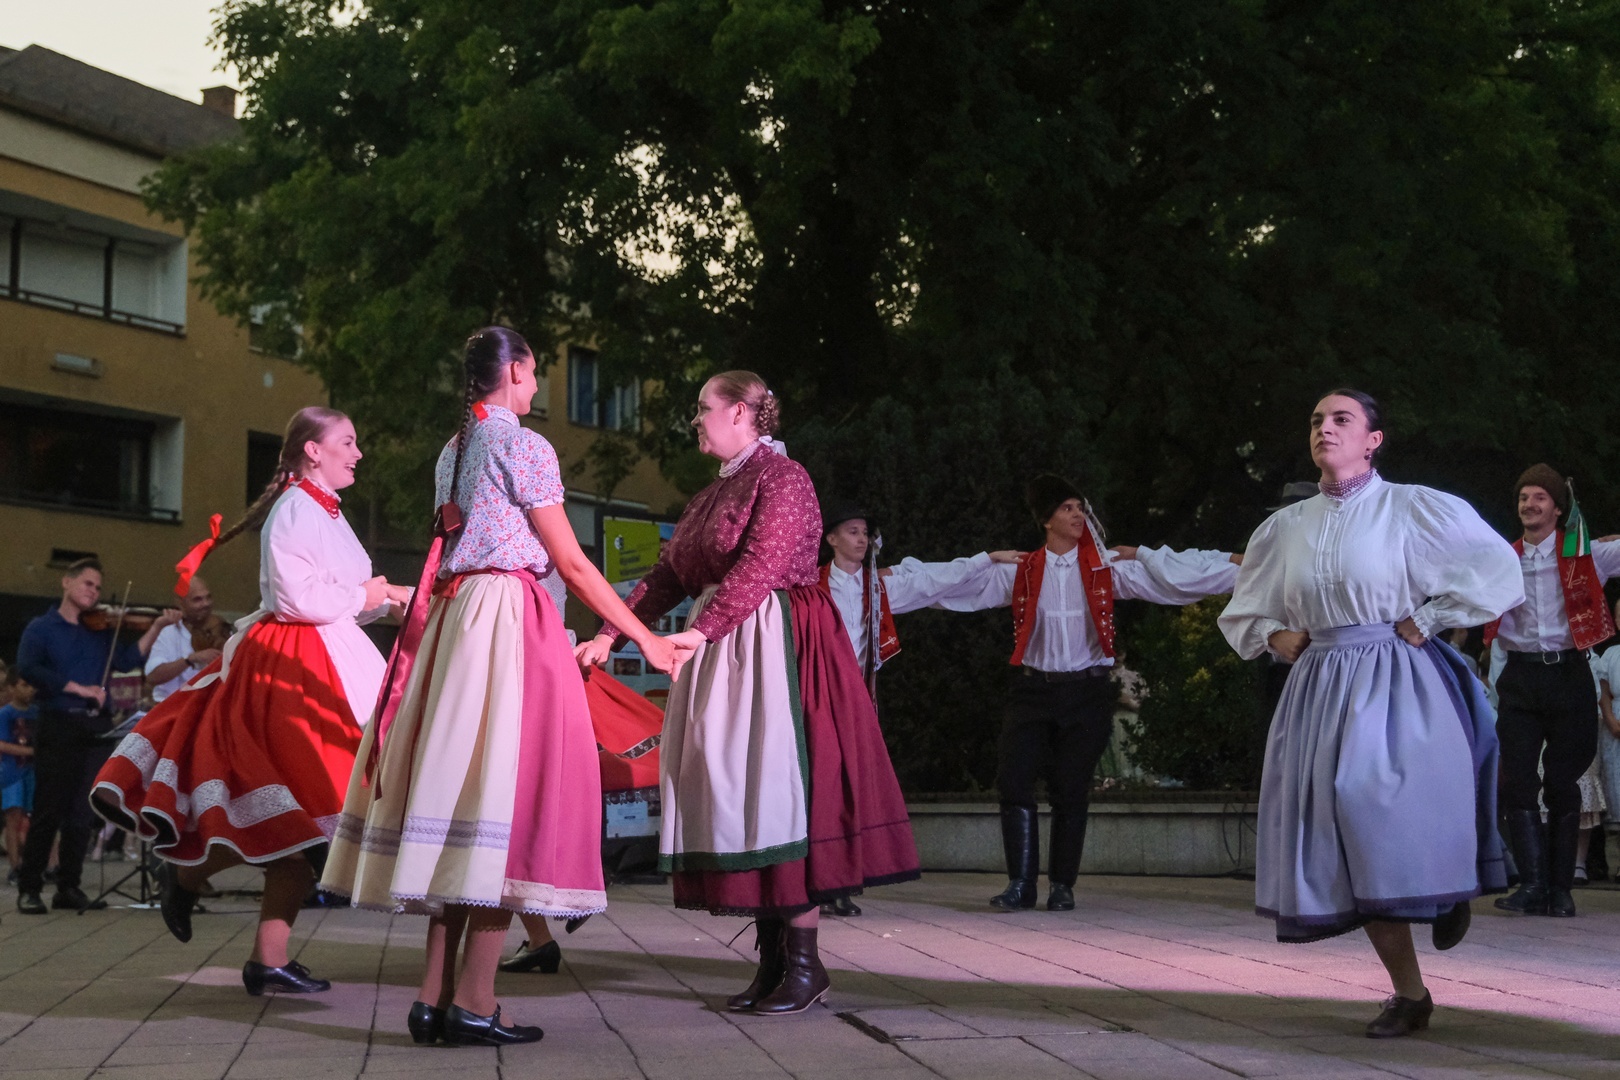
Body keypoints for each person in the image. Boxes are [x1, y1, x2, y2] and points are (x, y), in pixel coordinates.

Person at [320, 327, 685, 1047]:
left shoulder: (455, 449)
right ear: (514, 371)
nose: (538, 382)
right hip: (508, 618)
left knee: (462, 804)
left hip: (455, 620)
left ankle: (433, 998)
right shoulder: (523, 445)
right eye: (535, 370)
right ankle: (475, 1000)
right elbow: (571, 563)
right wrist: (643, 636)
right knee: (508, 803)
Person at [585, 370, 920, 1016]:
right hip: (725, 644)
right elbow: (667, 574)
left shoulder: (783, 477)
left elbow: (764, 564)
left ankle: (804, 963)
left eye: (703, 408)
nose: (696, 419)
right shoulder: (712, 493)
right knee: (739, 793)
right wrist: (610, 634)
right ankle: (774, 962)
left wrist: (701, 631)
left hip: (776, 644)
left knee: (778, 790)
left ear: (740, 412)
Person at [1219, 389, 1522, 1039]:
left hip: (1394, 672)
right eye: (1317, 420)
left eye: (1341, 420)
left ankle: (1440, 888)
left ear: (1373, 439)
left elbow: (1498, 565)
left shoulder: (1410, 507)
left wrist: (1434, 616)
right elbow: (1246, 607)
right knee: (1343, 834)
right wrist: (1274, 635)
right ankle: (1411, 992)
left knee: (1372, 800)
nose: (1325, 429)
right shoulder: (1286, 527)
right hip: (1321, 681)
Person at [92, 407, 404, 996]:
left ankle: (257, 949)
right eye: (347, 442)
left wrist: (385, 598)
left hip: (331, 658)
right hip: (293, 668)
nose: (358, 453)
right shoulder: (295, 509)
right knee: (308, 811)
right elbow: (296, 599)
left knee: (309, 818)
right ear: (313, 450)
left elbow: (337, 598)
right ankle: (209, 897)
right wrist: (367, 595)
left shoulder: (327, 512)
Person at [929, 476, 1240, 912]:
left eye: (1081, 507)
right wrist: (882, 581)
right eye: (1068, 508)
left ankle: (1062, 885)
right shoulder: (1021, 569)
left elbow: (1177, 577)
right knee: (1014, 781)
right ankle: (1020, 884)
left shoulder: (1104, 568)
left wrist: (1241, 565)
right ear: (1047, 519)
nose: (1079, 515)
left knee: (1071, 788)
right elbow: (946, 585)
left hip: (1086, 691)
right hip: (1033, 689)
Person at [815, 505, 1019, 915]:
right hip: (816, 698)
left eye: (865, 533)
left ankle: (841, 882)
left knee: (852, 790)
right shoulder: (809, 587)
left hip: (858, 700)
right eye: (852, 531)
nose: (861, 539)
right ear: (831, 539)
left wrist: (987, 558)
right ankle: (815, 881)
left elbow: (935, 577)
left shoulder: (878, 587)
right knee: (819, 789)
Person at [1483, 465, 1620, 919]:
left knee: (1563, 782)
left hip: (1568, 675)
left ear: (1559, 508)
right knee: (1518, 779)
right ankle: (1532, 884)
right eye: (1524, 497)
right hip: (1520, 677)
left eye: (1539, 497)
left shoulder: (1585, 553)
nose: (1529, 504)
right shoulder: (1504, 557)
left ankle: (1561, 890)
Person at [14, 558, 180, 914]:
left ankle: (68, 887)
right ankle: (29, 887)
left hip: (95, 727)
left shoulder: (101, 630)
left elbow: (126, 660)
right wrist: (77, 688)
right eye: (88, 584)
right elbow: (28, 667)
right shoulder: (42, 628)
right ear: (67, 582)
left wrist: (157, 627)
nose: (94, 592)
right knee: (48, 809)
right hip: (59, 723)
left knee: (81, 812)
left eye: (98, 587)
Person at [144, 576, 228, 704]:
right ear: (181, 603)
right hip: (169, 706)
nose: (205, 604)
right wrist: (190, 659)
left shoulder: (221, 629)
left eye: (208, 597)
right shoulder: (168, 632)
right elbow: (152, 676)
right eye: (197, 600)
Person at [1, 671, 38, 884]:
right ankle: (15, 866)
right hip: (12, 772)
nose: (30, 690)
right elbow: (2, 744)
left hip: (33, 772)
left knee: (38, 817)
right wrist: (31, 752)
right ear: (11, 688)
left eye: (31, 685)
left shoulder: (37, 712)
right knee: (13, 818)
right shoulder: (5, 714)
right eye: (24, 685)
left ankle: (46, 864)